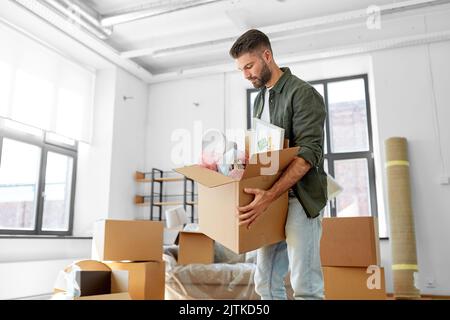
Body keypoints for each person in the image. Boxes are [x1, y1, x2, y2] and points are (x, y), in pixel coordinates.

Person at [229, 29, 328, 300]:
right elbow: (265, 153)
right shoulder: (260, 100)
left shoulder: (303, 94)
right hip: (271, 200)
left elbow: (309, 155)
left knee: (305, 286)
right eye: (241, 69)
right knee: (266, 282)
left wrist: (268, 196)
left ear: (267, 56)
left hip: (300, 199)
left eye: (249, 66)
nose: (246, 74)